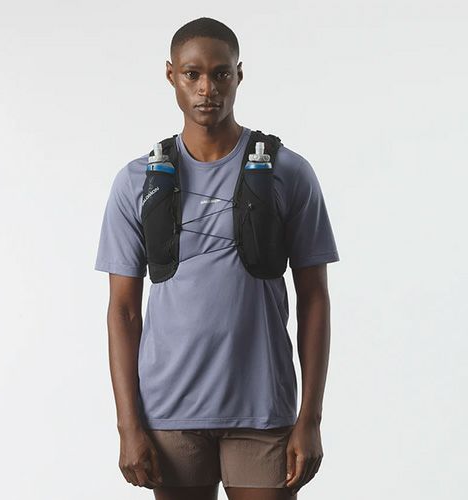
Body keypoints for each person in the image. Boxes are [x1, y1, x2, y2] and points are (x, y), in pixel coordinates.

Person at [94, 16, 340, 500]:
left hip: (262, 409)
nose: (207, 88)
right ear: (172, 75)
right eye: (193, 74)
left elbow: (315, 299)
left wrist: (310, 418)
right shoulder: (137, 181)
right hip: (169, 413)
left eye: (221, 73)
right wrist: (128, 425)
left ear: (239, 75)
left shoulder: (288, 172)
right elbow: (123, 311)